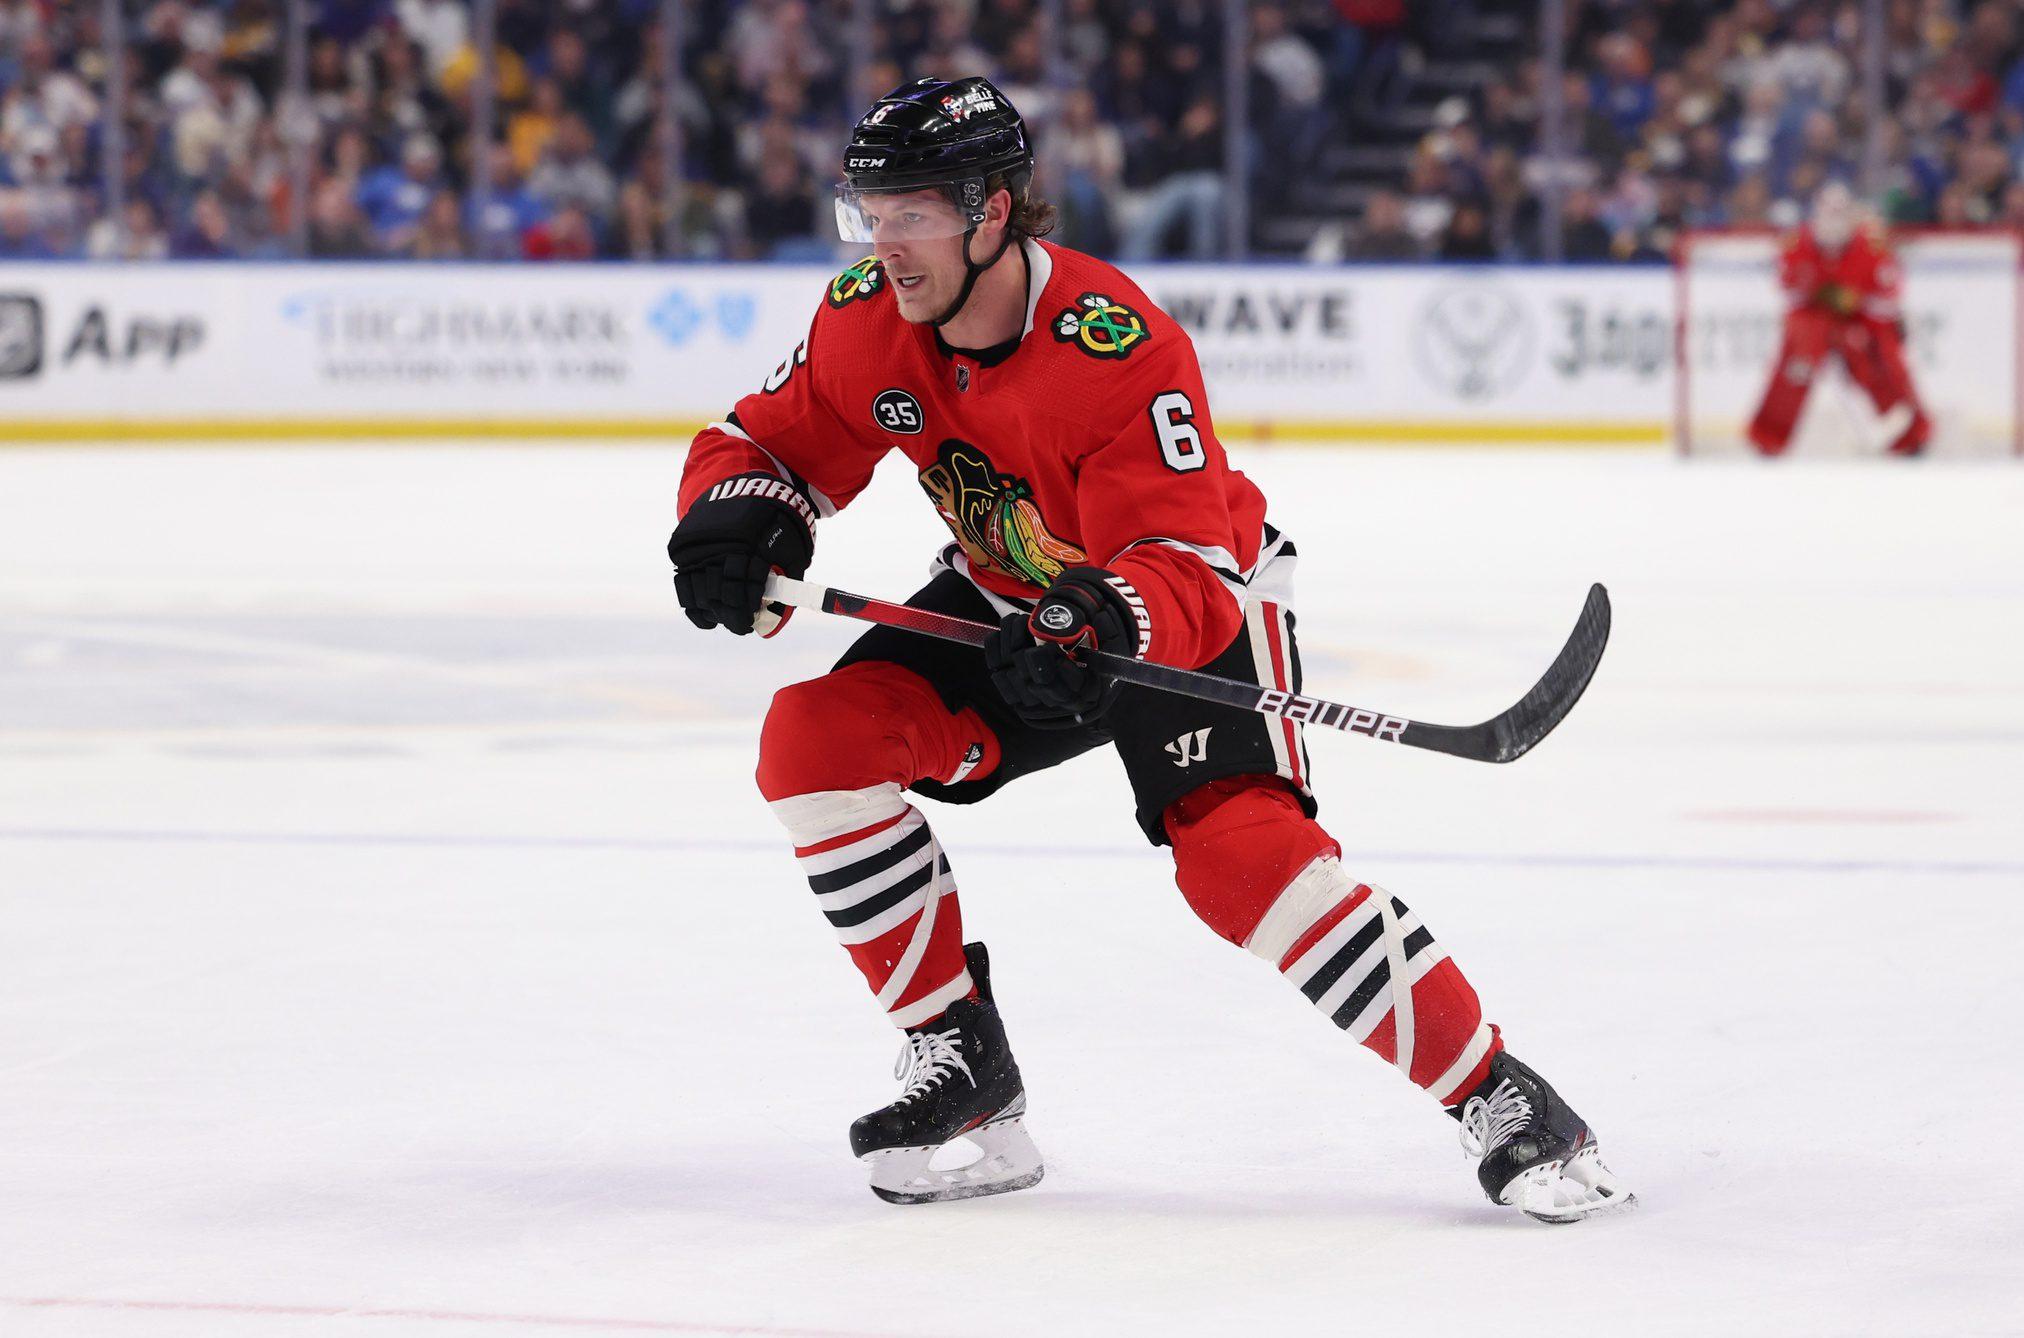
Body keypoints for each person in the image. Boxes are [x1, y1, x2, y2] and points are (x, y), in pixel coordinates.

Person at [665, 76, 1634, 1222]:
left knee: (1236, 860)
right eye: (870, 217)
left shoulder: (1117, 347)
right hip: (1014, 599)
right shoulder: (865, 316)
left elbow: (1186, 562)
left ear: (991, 213)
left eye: (913, 215)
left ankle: (1502, 1097)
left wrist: (1097, 618)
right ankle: (961, 1070)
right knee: (812, 740)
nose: (886, 246)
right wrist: (737, 513)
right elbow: (761, 439)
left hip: (1189, 606)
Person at [1747, 183, 1929, 457]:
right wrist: (1822, 299)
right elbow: (1789, 291)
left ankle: (1910, 434)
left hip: (1861, 320)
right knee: (1798, 363)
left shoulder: (1872, 245)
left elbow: (1888, 295)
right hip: (1813, 319)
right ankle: (1768, 436)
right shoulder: (1797, 244)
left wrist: (1856, 301)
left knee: (1878, 358)